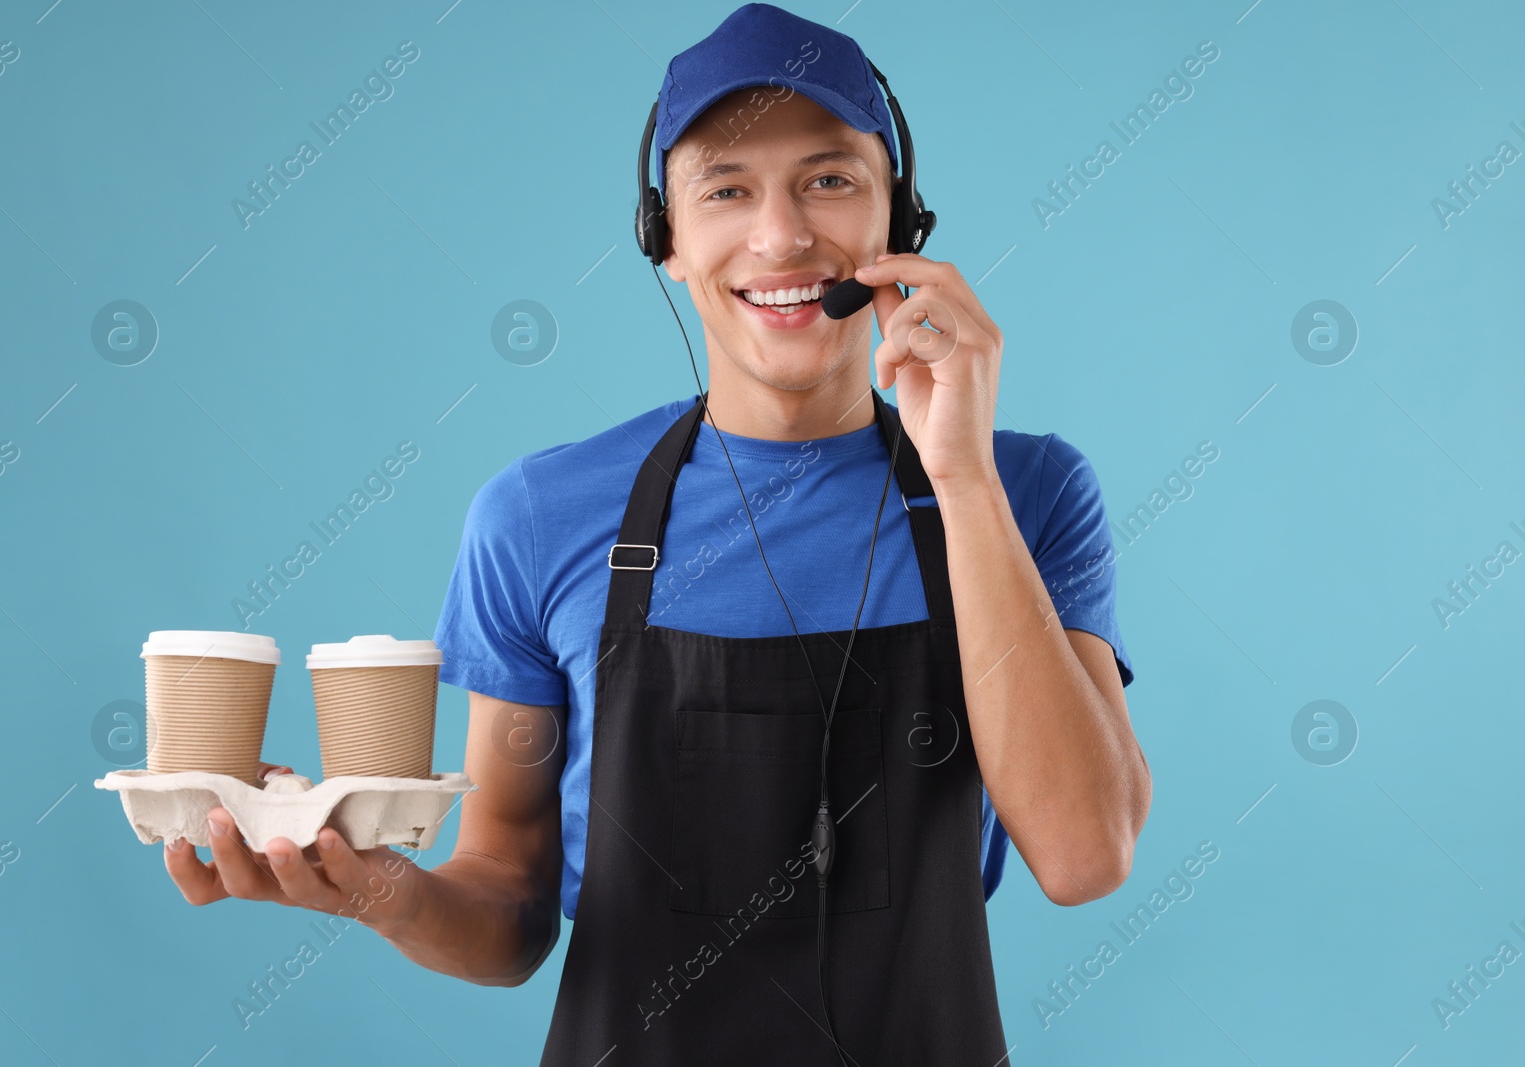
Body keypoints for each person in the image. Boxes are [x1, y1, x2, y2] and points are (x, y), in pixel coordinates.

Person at [164, 5, 1150, 1063]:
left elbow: (1083, 853)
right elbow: (509, 907)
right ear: (665, 241)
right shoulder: (539, 517)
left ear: (898, 222)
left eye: (830, 179)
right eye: (726, 189)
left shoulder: (1025, 490)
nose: (780, 236)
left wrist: (958, 474)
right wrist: (377, 889)